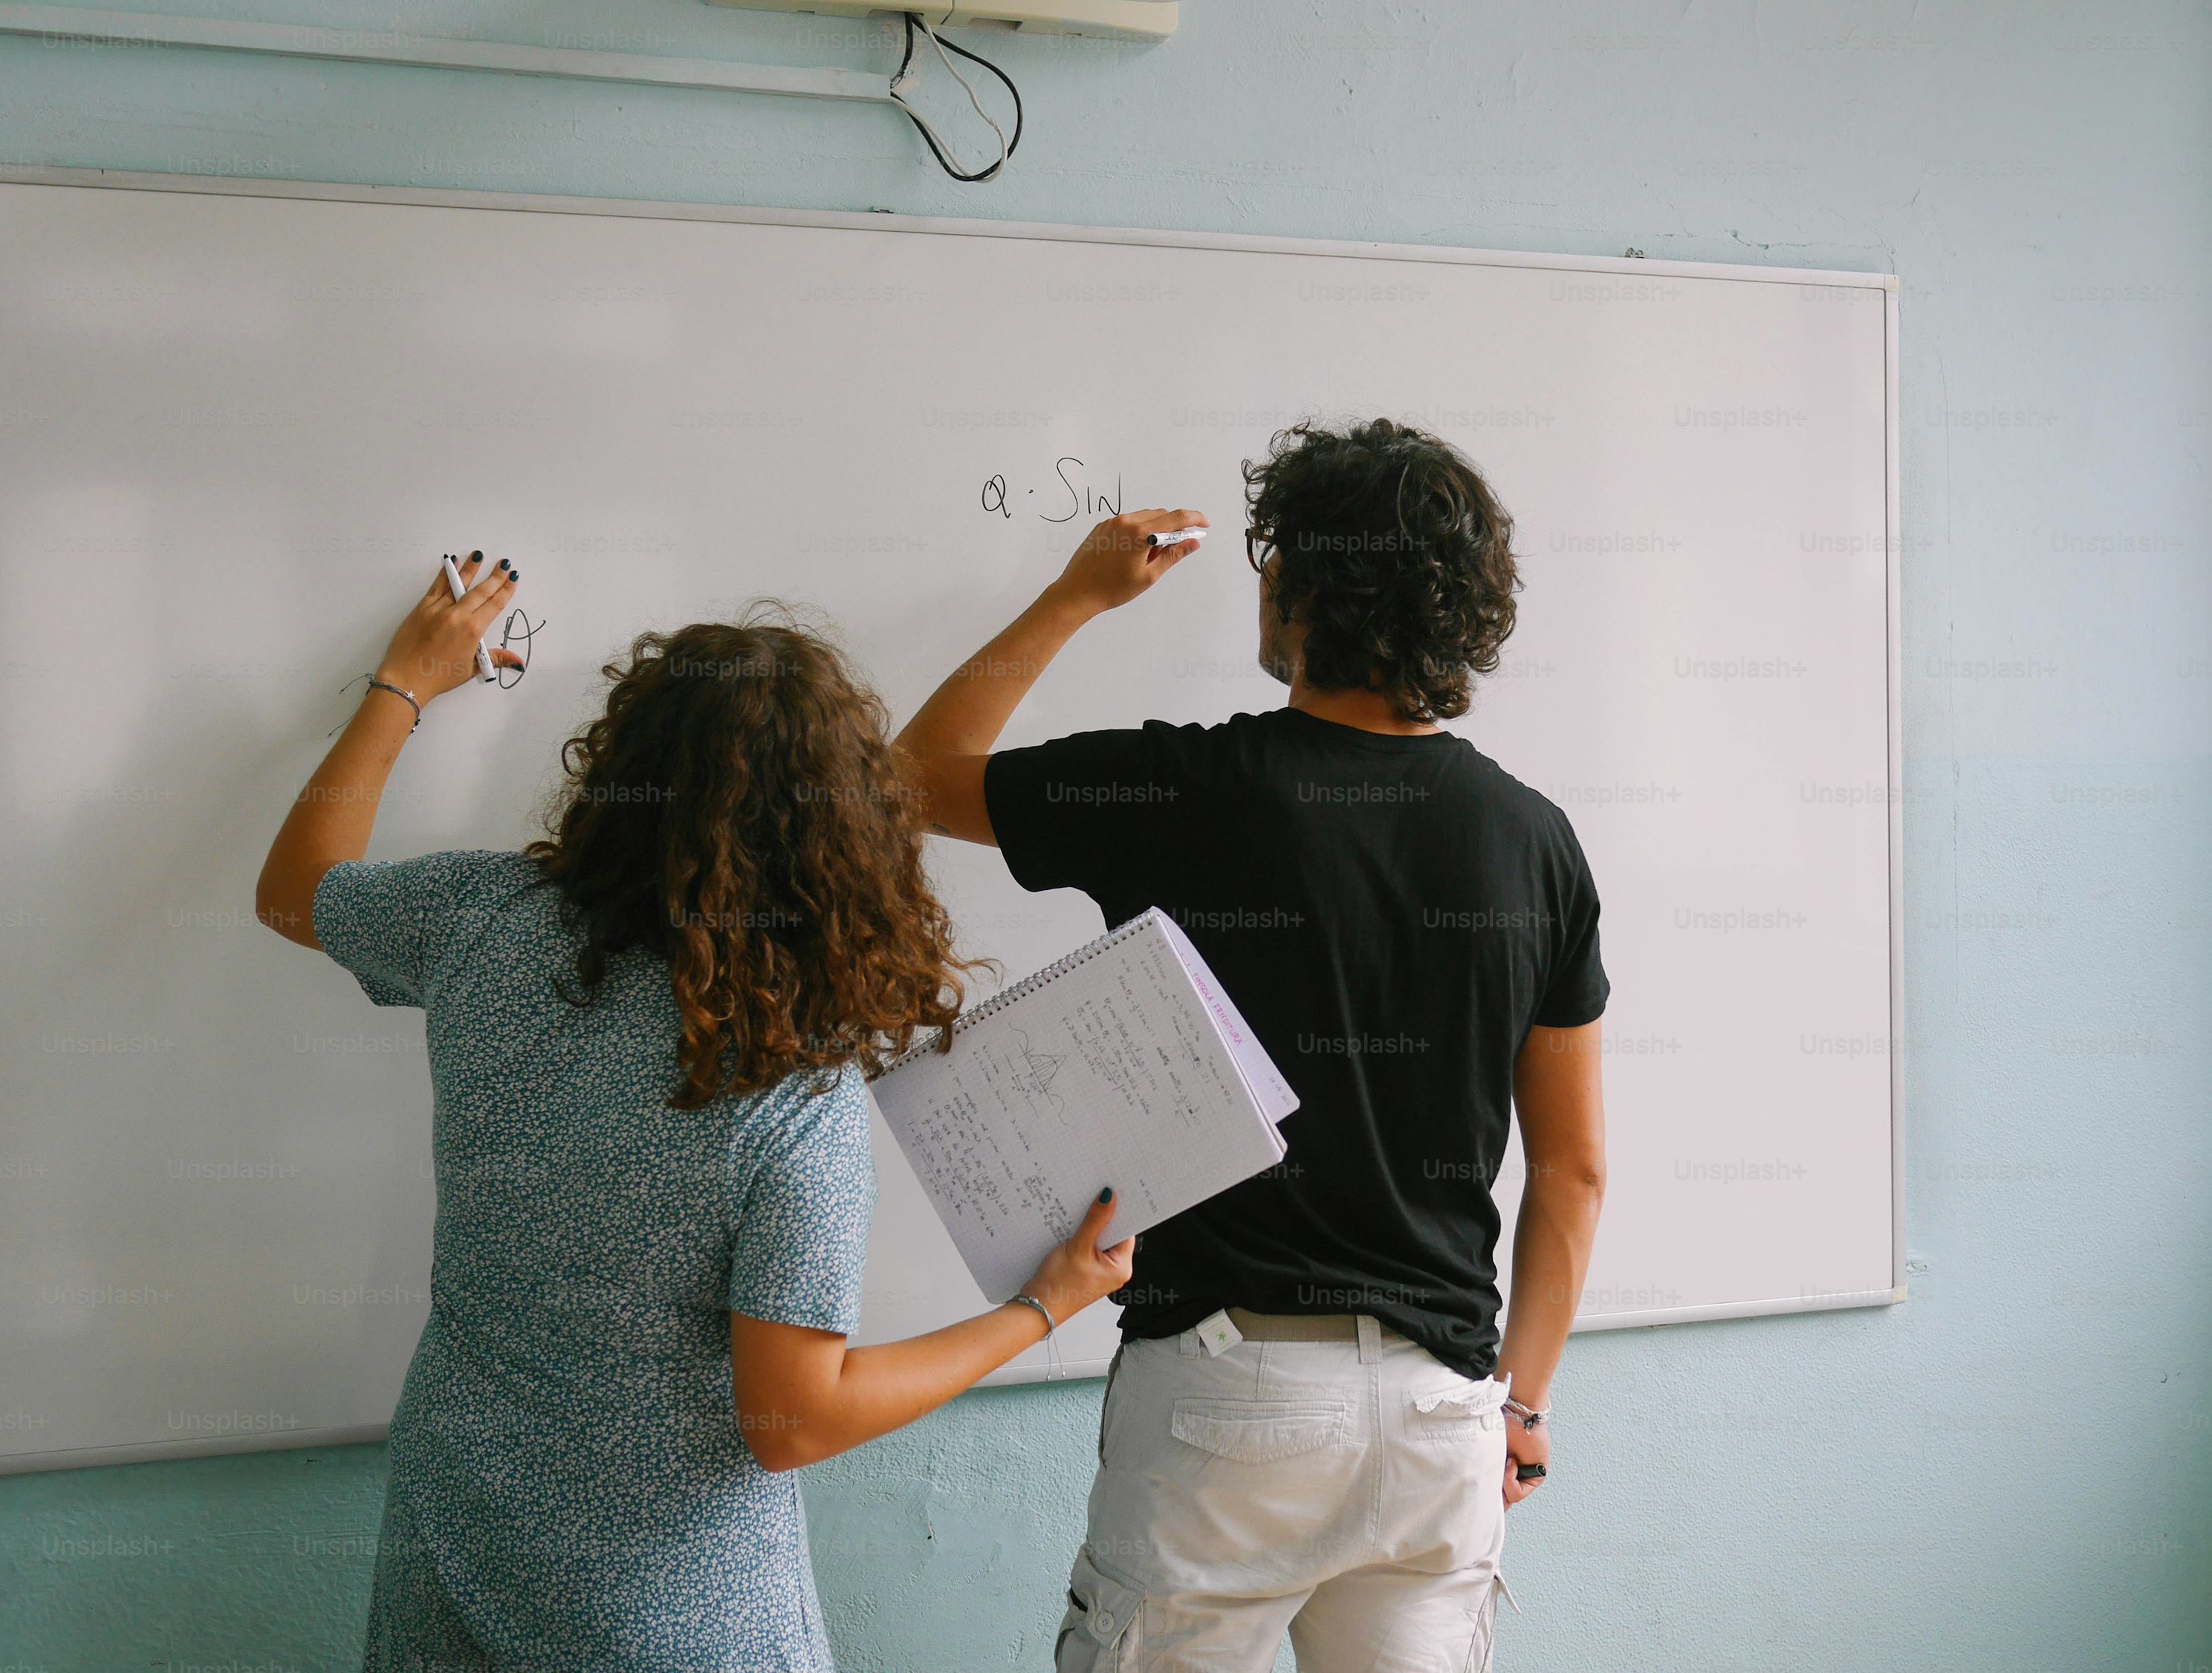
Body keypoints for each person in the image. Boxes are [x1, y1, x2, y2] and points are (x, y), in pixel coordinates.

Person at [255, 555, 1132, 1673]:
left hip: (457, 1543)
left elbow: (297, 885)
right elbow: (792, 1423)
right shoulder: (787, 1092)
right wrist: (1041, 1310)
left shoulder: (481, 923)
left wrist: (403, 685)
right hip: (671, 1614)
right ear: (840, 841)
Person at [893, 420, 1609, 1672]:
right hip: (1446, 1413)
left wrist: (1071, 599)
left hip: (1231, 1393)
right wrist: (1525, 1407)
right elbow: (1576, 1172)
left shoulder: (1189, 789)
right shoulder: (1537, 841)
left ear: (1307, 586)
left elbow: (905, 778)